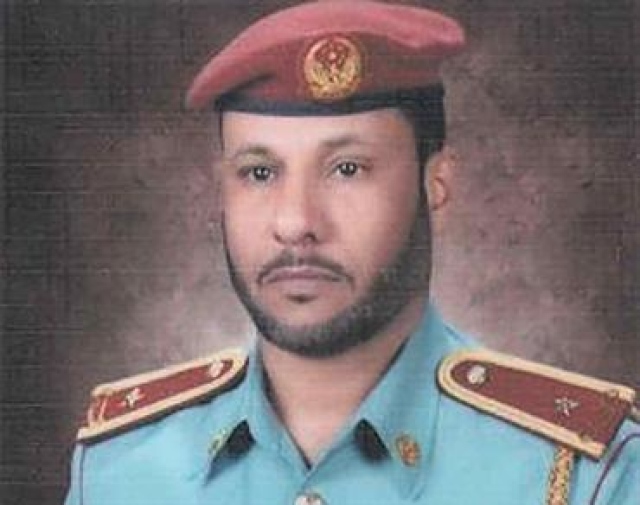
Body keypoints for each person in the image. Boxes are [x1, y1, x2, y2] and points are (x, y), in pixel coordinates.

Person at [64, 1, 640, 504]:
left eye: (347, 169)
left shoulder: (580, 475)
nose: (295, 222)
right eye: (259, 172)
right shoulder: (121, 467)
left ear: (435, 185)